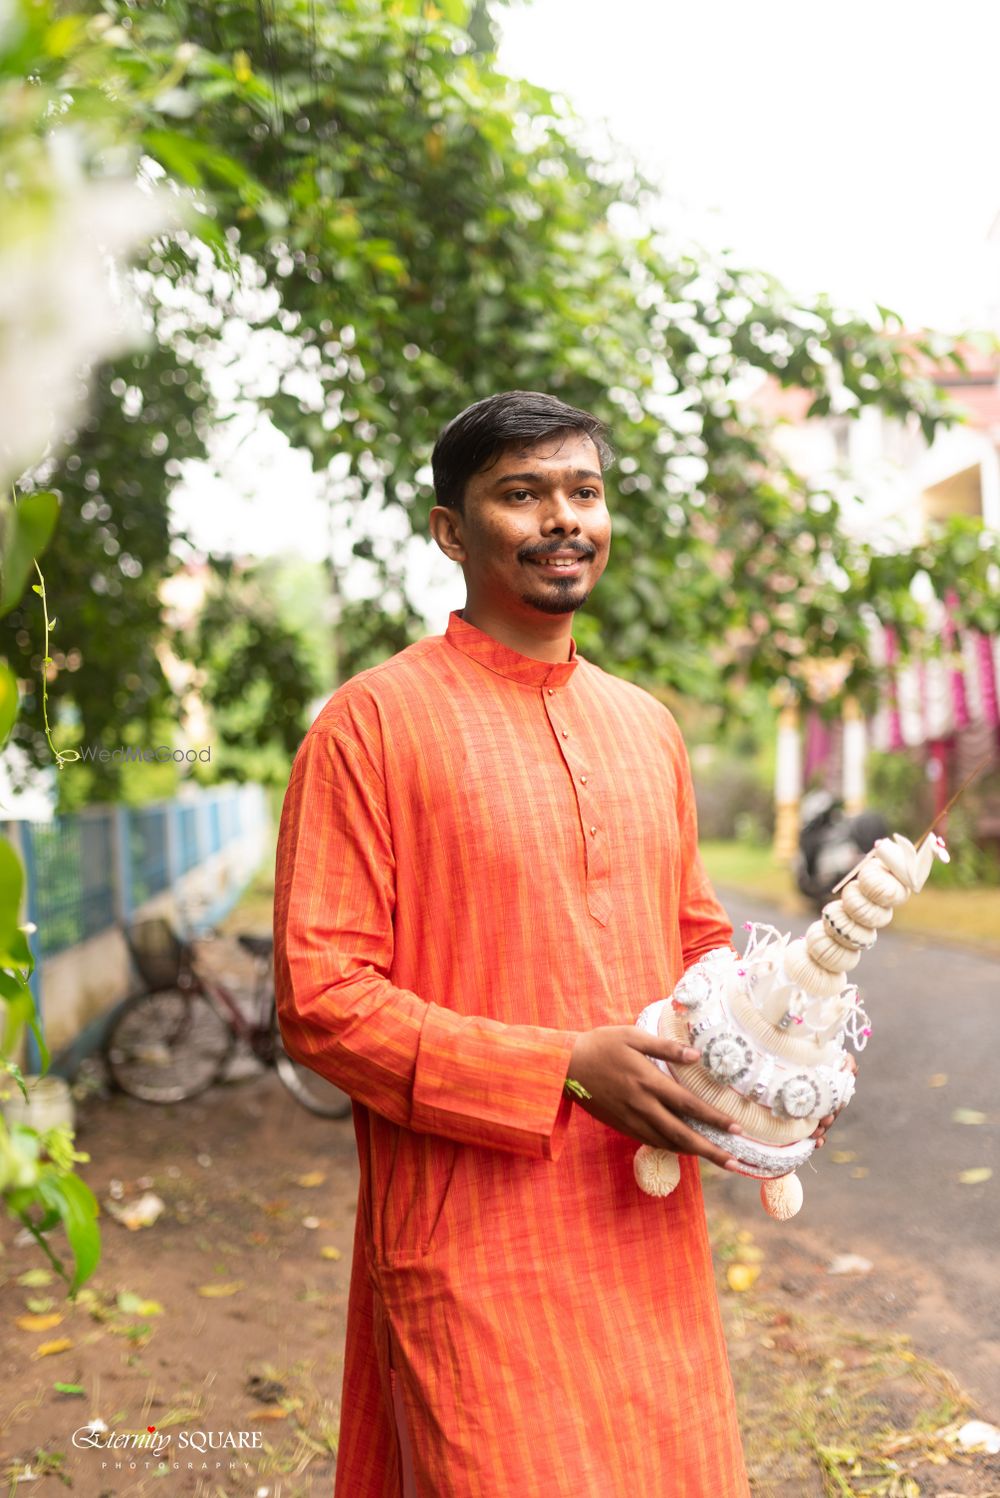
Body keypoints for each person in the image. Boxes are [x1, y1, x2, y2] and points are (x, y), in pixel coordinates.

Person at [273, 391, 840, 1496]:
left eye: (581, 490)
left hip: (642, 1221)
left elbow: (696, 946)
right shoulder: (370, 725)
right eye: (520, 494)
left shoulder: (646, 727)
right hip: (468, 1234)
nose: (560, 519)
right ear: (451, 530)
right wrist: (559, 1068)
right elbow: (320, 998)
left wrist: (778, 1048)